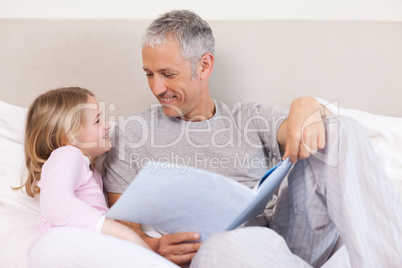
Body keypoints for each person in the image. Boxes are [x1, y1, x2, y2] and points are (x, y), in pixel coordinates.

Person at [104, 10, 402, 267]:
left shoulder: (248, 117)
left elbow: (303, 129)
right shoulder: (132, 132)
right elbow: (120, 221)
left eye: (167, 74)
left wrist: (306, 103)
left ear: (204, 66)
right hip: (218, 253)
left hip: (284, 239)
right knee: (225, 245)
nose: (157, 88)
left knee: (340, 129)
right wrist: (151, 245)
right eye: (149, 74)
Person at [16, 87, 150, 249]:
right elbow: (56, 203)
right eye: (97, 121)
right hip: (64, 248)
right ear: (69, 137)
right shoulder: (67, 154)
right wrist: (118, 232)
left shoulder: (90, 171)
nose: (107, 125)